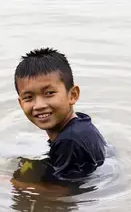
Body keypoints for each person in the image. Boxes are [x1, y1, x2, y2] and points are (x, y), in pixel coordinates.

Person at [13, 47, 107, 185]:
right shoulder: (80, 123)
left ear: (73, 95)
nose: (39, 105)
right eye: (28, 97)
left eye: (49, 93)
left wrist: (6, 181)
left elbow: (62, 194)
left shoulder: (69, 141)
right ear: (21, 104)